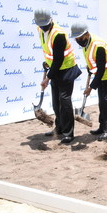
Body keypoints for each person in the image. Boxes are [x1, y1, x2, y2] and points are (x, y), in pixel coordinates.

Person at [34, 8, 82, 144]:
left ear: (51, 20)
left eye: (45, 25)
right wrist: (46, 63)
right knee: (56, 103)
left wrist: (47, 78)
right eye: (40, 25)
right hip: (54, 69)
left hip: (66, 70)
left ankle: (69, 133)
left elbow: (59, 59)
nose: (43, 28)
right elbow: (49, 51)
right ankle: (59, 128)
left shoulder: (58, 34)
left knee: (65, 101)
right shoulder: (41, 30)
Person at [69, 22, 107, 141]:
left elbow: (101, 69)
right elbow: (94, 62)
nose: (78, 40)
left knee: (106, 102)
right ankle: (102, 127)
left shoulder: (98, 45)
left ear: (86, 34)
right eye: (76, 38)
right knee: (101, 102)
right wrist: (90, 68)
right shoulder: (86, 43)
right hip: (101, 74)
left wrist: (90, 87)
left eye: (79, 38)